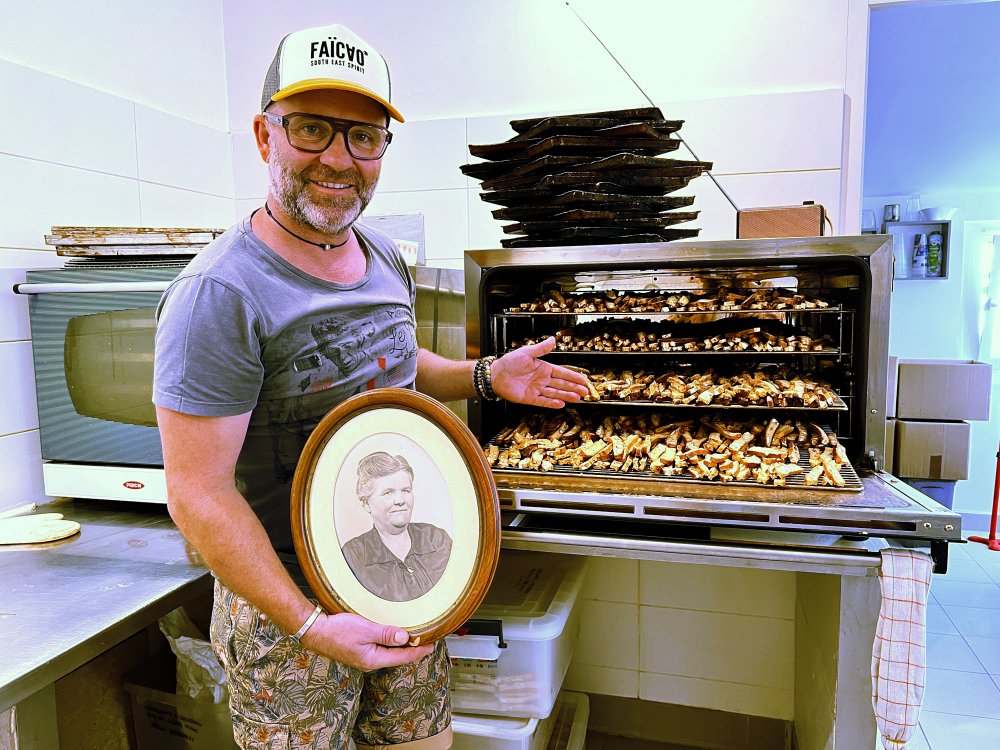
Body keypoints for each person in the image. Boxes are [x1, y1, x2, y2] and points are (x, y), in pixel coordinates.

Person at [152, 22, 589, 750]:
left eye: (363, 136)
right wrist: (310, 624)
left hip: (402, 582)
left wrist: (485, 376)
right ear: (264, 136)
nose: (338, 158)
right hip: (288, 610)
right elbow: (197, 494)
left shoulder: (382, 255)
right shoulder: (219, 294)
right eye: (311, 129)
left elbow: (394, 366)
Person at [342, 452, 452, 602]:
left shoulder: (437, 539)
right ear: (367, 504)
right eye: (388, 492)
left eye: (406, 491)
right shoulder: (354, 555)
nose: (400, 500)